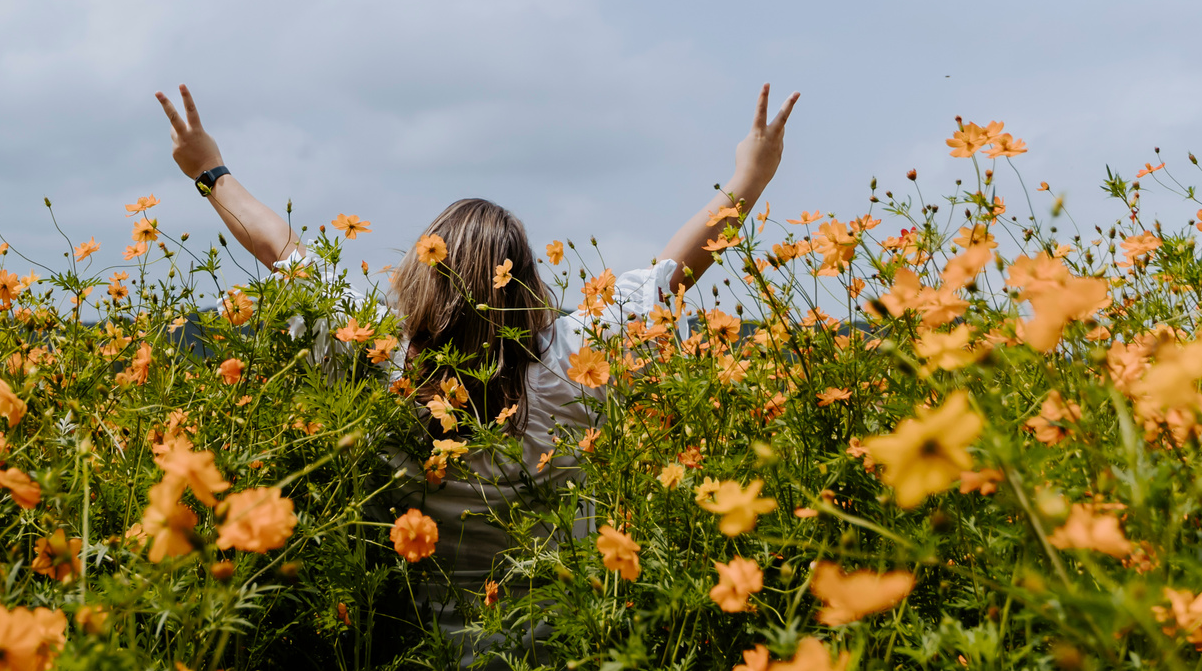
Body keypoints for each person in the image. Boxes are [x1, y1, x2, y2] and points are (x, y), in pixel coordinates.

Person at [155, 82, 799, 636]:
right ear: (526, 283)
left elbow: (280, 247)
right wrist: (750, 176)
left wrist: (210, 171)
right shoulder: (577, 358)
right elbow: (676, 273)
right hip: (557, 648)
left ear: (418, 272)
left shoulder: (374, 354)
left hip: (419, 646)